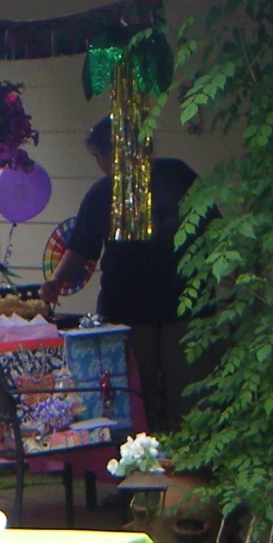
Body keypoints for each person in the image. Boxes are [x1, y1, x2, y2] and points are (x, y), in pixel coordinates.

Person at [39, 116, 201, 430]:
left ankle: (187, 460)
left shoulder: (176, 176)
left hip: (183, 304)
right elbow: (82, 247)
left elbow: (210, 225)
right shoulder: (102, 194)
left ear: (117, 151)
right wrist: (57, 280)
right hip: (127, 309)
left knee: (185, 389)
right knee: (136, 392)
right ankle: (141, 456)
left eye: (99, 157)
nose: (98, 165)